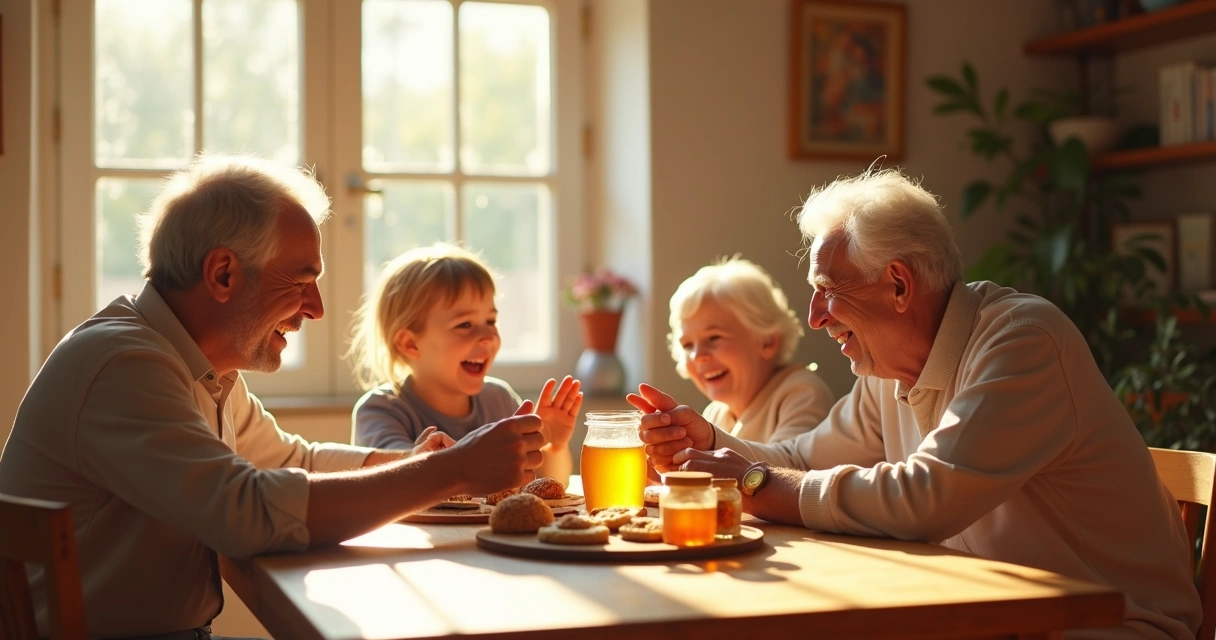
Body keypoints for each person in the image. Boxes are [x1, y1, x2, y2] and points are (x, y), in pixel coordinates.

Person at [630, 168, 1201, 638]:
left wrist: (753, 482)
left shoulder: (1023, 340)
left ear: (899, 286)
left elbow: (929, 496)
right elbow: (803, 460)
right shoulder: (887, 369)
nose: (815, 317)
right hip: (994, 614)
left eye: (828, 291)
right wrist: (712, 446)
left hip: (1117, 624)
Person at [0, 155, 546, 640]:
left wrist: (410, 462)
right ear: (222, 273)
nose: (316, 308)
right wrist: (451, 472)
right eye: (301, 280)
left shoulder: (195, 367)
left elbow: (292, 461)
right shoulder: (125, 366)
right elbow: (247, 512)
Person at [347, 243, 582, 486]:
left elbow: (549, 484)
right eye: (465, 325)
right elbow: (400, 479)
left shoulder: (499, 400)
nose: (489, 336)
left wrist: (552, 444)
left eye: (491, 320)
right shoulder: (380, 411)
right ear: (410, 344)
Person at [668, 256, 833, 443]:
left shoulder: (802, 393)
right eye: (687, 345)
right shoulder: (716, 413)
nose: (698, 356)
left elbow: (785, 467)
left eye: (714, 337)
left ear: (768, 342)